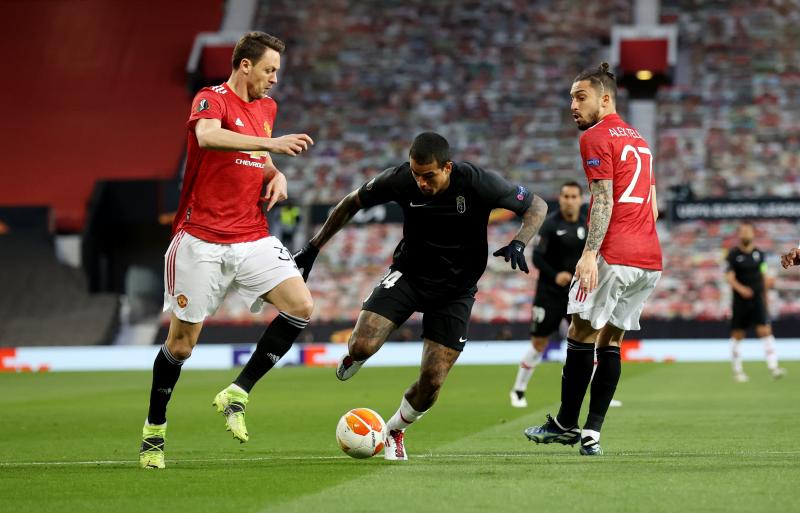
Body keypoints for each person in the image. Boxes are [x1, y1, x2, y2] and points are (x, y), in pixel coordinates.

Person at [293, 132, 548, 460]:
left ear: (447, 168)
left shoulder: (478, 182)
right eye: (416, 175)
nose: (421, 183)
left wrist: (519, 241)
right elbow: (351, 202)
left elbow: (536, 205)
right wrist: (313, 248)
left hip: (456, 291)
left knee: (432, 380)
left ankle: (396, 430)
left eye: (428, 176)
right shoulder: (400, 179)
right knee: (361, 345)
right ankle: (354, 357)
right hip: (409, 275)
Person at [139, 31, 315, 469]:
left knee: (301, 305)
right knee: (181, 346)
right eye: (270, 69)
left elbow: (256, 157)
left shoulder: (267, 109)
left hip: (251, 234)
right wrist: (270, 146)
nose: (275, 79)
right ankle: (154, 433)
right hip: (201, 238)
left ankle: (237, 391)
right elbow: (209, 138)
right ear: (245, 65)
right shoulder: (210, 98)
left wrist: (276, 172)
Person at [524, 63, 661, 456]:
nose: (572, 105)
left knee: (580, 335)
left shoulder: (596, 137)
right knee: (612, 342)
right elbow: (652, 208)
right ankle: (592, 434)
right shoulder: (639, 140)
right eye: (570, 97)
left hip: (614, 254)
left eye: (580, 97)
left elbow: (603, 199)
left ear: (605, 99)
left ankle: (567, 424)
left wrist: (589, 254)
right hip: (648, 258)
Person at [510, 181, 587, 408]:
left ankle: (595, 393)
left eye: (574, 196)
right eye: (566, 196)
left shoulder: (586, 225)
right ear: (560, 199)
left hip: (576, 294)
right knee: (539, 343)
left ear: (580, 199)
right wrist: (556, 275)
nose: (570, 200)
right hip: (549, 293)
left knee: (584, 342)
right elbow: (537, 258)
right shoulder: (550, 225)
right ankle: (518, 390)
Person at [726, 222, 785, 382]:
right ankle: (737, 370)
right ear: (739, 234)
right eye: (743, 231)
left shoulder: (760, 254)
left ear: (753, 234)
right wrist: (741, 289)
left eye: (748, 231)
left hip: (757, 300)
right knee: (738, 335)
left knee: (765, 331)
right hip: (740, 302)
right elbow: (729, 278)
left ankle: (773, 367)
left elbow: (764, 274)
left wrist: (766, 297)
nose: (745, 234)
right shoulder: (733, 254)